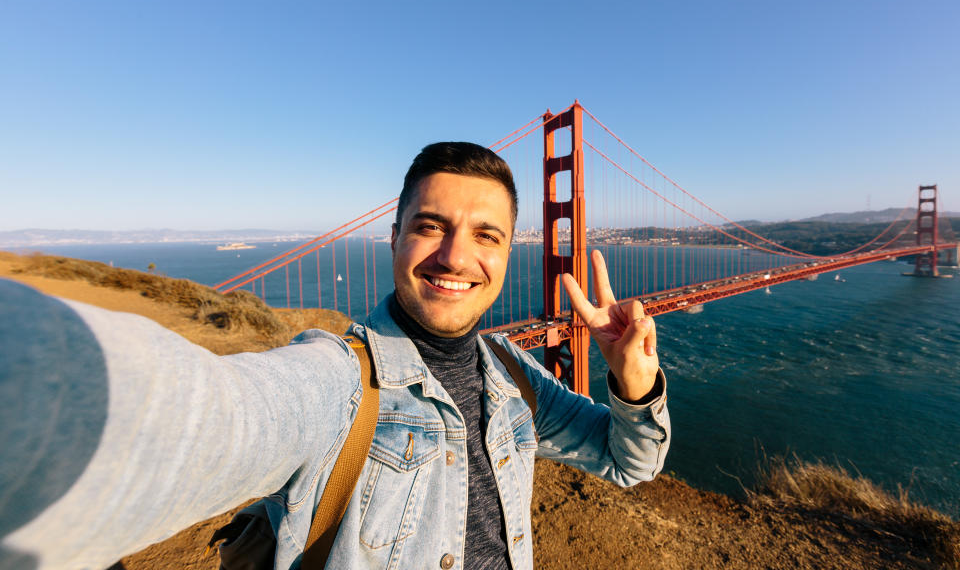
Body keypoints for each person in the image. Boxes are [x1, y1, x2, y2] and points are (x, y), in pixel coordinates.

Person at [0, 142, 670, 570]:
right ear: (394, 238)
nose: (456, 256)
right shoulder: (335, 380)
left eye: (485, 235)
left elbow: (627, 462)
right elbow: (201, 417)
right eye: (430, 226)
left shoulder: (511, 371)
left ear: (506, 252)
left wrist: (632, 384)